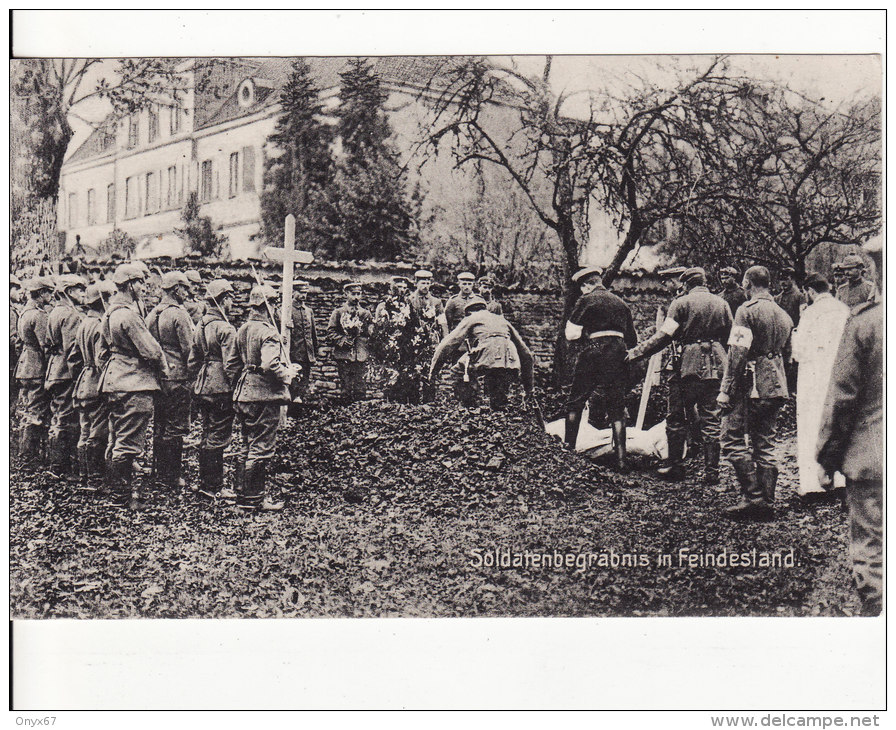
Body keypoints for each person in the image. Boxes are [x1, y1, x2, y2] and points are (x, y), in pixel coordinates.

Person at [816, 245, 883, 617]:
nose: (847, 275)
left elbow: (843, 398)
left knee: (871, 546)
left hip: (874, 454)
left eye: (853, 269)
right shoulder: (845, 299)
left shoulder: (867, 317)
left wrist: (827, 457)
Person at [627, 267, 732, 483]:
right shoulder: (722, 303)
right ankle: (712, 472)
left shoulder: (680, 303)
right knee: (711, 418)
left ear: (687, 284)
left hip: (687, 365)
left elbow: (664, 336)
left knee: (676, 416)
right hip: (717, 364)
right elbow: (729, 335)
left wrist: (636, 353)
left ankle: (675, 467)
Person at [717, 266, 793, 519]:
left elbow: (737, 353)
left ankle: (754, 498)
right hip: (776, 386)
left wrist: (726, 390)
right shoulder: (784, 315)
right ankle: (767, 502)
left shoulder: (745, 311)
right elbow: (789, 358)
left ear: (748, 283)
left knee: (731, 439)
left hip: (751, 386)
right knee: (766, 442)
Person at [99, 263, 166, 508]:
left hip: (115, 380)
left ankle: (117, 493)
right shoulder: (128, 315)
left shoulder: (109, 313)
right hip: (134, 383)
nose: (144, 287)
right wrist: (163, 371)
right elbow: (152, 351)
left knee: (117, 438)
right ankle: (121, 498)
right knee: (127, 443)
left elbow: (101, 352)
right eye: (140, 283)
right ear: (129, 285)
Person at [563, 266, 637, 471]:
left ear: (586, 285)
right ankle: (622, 459)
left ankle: (568, 451)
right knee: (616, 403)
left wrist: (588, 332)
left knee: (576, 400)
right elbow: (632, 339)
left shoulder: (586, 300)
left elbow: (571, 334)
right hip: (618, 353)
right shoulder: (622, 304)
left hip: (594, 350)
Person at [232, 284, 299, 511]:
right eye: (275, 304)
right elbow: (270, 364)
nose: (278, 308)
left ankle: (240, 494)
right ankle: (253, 499)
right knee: (261, 446)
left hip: (244, 393)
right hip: (264, 396)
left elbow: (232, 364)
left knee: (245, 444)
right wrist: (287, 374)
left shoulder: (242, 329)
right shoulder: (269, 332)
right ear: (268, 306)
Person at [790, 274, 850, 500]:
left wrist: (795, 336)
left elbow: (799, 351)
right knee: (839, 425)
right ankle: (842, 480)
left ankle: (813, 485)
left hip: (814, 378)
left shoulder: (810, 313)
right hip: (839, 376)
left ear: (810, 291)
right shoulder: (844, 310)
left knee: (811, 427)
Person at [188, 279, 243, 501]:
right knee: (218, 435)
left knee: (207, 432)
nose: (232, 302)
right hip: (220, 387)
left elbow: (193, 360)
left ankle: (204, 483)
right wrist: (236, 388)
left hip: (203, 385)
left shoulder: (201, 325)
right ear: (222, 300)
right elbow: (232, 364)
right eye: (229, 298)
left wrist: (195, 383)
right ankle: (213, 486)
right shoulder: (226, 328)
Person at [429, 296, 534, 410]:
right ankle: (498, 409)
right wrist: (529, 388)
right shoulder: (501, 320)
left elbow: (448, 344)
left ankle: (469, 405)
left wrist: (433, 372)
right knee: (497, 379)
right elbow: (526, 354)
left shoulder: (471, 318)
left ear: (469, 311)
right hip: (509, 356)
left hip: (488, 351)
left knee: (458, 370)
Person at [145, 271, 195, 490]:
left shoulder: (152, 314)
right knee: (175, 427)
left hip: (159, 377)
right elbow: (189, 351)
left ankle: (158, 471)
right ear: (176, 289)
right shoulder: (179, 315)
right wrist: (193, 375)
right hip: (178, 378)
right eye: (185, 288)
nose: (187, 293)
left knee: (160, 424)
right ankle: (171, 477)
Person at [71, 280, 116, 492]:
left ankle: (84, 475)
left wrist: (82, 376)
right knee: (98, 433)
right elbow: (101, 360)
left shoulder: (82, 324)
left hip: (83, 383)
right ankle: (96, 480)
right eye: (109, 298)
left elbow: (74, 358)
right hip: (96, 383)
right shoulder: (100, 326)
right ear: (103, 301)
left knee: (85, 430)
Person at [44, 274, 87, 480]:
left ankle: (58, 465)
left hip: (55, 370)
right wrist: (80, 377)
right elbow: (73, 351)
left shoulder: (54, 312)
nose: (83, 294)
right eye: (79, 290)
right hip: (66, 374)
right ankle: (61, 467)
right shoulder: (71, 315)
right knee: (66, 419)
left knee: (59, 416)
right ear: (69, 292)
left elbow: (49, 344)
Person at [15, 276, 55, 470]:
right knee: (37, 411)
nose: (50, 296)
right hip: (37, 367)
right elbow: (45, 346)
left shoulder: (23, 312)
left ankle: (26, 454)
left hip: (24, 365)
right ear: (40, 294)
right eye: (48, 292)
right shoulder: (39, 315)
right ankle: (29, 458)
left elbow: (18, 343)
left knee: (30, 408)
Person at [372, 277, 427, 404]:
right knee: (391, 378)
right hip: (390, 347)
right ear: (392, 288)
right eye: (399, 287)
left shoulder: (409, 305)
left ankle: (409, 407)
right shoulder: (383, 305)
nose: (401, 290)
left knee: (409, 377)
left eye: (404, 287)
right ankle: (391, 406)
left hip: (407, 347)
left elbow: (415, 324)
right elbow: (378, 328)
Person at [328, 282, 373, 404]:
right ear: (346, 294)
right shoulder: (338, 312)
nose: (356, 297)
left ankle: (360, 415)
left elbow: (370, 334)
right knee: (346, 388)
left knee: (361, 388)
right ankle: (346, 416)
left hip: (361, 355)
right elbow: (330, 333)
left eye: (359, 294)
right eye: (353, 294)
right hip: (345, 356)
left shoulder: (366, 313)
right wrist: (343, 340)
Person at [774, 267, 806, 395]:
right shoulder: (777, 298)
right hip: (781, 336)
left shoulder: (800, 297)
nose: (783, 283)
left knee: (794, 364)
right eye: (781, 280)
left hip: (795, 335)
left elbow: (803, 316)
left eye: (786, 279)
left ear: (792, 279)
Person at [287, 278, 319, 403]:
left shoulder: (308, 311)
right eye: (300, 292)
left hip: (306, 354)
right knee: (293, 383)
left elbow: (313, 334)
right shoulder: (287, 310)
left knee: (304, 382)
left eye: (305, 292)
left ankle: (299, 410)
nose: (303, 295)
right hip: (294, 354)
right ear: (293, 292)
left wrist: (314, 352)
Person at [408, 269, 447, 340]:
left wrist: (445, 339)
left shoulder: (436, 301)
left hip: (431, 337)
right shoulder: (409, 300)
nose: (425, 286)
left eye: (427, 283)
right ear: (416, 283)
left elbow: (442, 321)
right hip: (412, 336)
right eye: (423, 283)